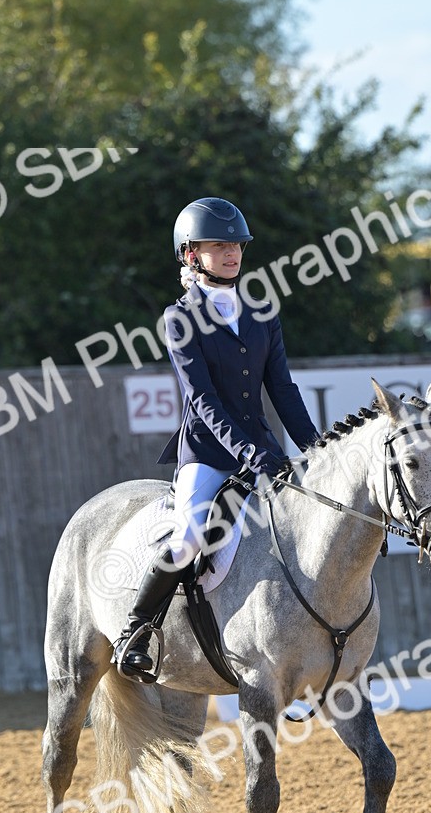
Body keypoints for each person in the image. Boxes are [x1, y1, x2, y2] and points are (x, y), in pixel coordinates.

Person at [112, 196, 320, 681]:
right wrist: (247, 452)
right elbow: (202, 400)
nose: (232, 253)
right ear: (191, 254)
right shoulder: (180, 318)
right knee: (187, 538)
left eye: (237, 245)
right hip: (208, 456)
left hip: (266, 455)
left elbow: (283, 391)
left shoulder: (262, 312)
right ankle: (136, 631)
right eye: (219, 245)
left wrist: (314, 449)